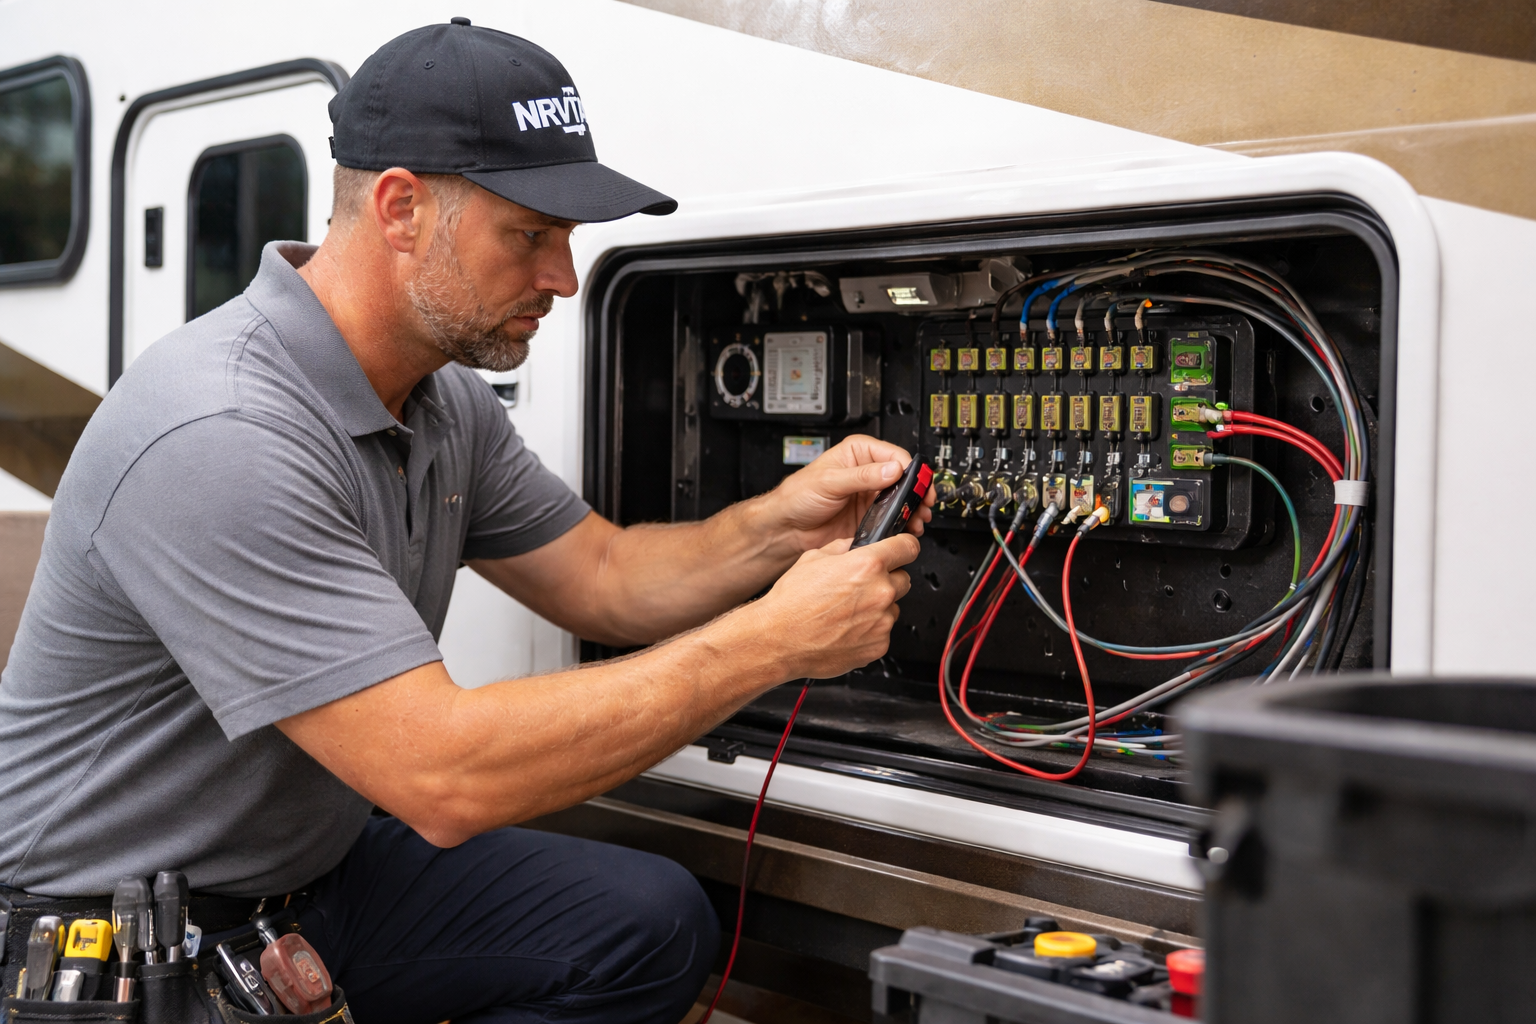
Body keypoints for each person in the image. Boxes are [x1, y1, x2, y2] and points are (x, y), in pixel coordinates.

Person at [0, 20, 928, 1024]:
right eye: (531, 235)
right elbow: (441, 773)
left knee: (648, 921)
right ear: (401, 209)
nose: (565, 279)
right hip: (120, 931)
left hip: (318, 879)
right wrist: (773, 640)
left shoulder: (442, 402)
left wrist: (779, 528)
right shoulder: (220, 428)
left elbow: (605, 573)